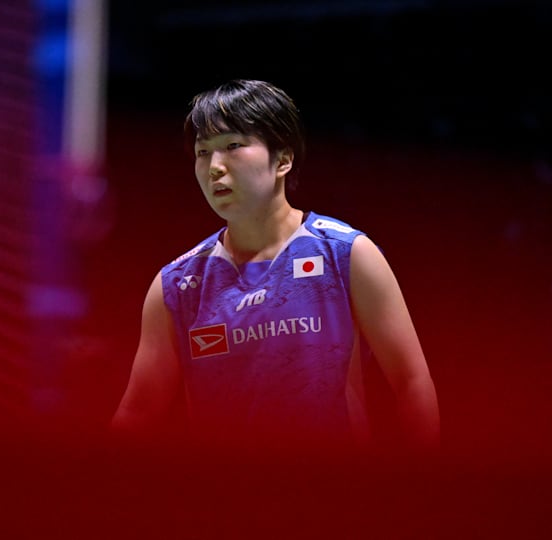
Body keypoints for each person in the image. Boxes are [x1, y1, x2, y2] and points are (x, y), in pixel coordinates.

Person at [111, 79, 439, 454]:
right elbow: (137, 414)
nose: (214, 167)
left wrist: (422, 496)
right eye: (203, 152)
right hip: (225, 505)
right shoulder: (178, 285)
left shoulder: (346, 254)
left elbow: (412, 381)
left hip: (334, 500)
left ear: (282, 159)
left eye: (232, 146)